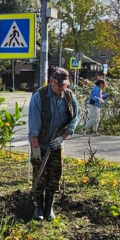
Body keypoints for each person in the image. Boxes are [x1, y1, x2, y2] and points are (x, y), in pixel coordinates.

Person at [28, 67, 80, 221]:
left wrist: (62, 137)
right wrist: (36, 149)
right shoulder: (40, 96)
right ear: (51, 81)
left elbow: (76, 117)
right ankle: (38, 208)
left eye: (64, 85)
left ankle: (49, 207)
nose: (61, 89)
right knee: (39, 177)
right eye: (59, 85)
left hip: (57, 144)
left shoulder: (69, 96)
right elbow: (34, 126)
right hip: (40, 143)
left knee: (54, 176)